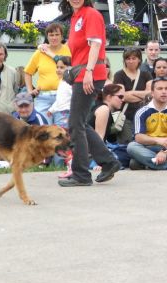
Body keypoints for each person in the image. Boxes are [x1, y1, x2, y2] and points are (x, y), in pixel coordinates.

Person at [57, 0, 120, 187]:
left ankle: (81, 174)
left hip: (89, 74)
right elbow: (80, 50)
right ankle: (109, 162)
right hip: (83, 72)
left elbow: (95, 45)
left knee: (76, 124)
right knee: (80, 123)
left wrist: (89, 72)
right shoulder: (77, 16)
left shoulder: (91, 14)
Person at [24, 23, 71, 124]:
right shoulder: (39, 52)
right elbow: (28, 72)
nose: (54, 38)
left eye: (57, 34)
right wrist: (29, 90)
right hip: (43, 98)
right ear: (47, 37)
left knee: (62, 130)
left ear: (62, 36)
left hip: (63, 96)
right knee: (44, 129)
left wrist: (49, 53)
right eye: (51, 35)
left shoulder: (68, 50)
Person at [113, 47, 152, 145]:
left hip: (143, 117)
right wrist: (142, 94)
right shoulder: (119, 75)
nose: (130, 61)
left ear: (139, 59)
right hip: (125, 117)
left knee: (142, 144)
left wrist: (131, 93)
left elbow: (151, 94)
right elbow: (122, 96)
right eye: (128, 58)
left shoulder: (146, 74)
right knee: (126, 144)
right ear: (124, 60)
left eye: (134, 58)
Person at [127, 77, 167, 170]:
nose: (164, 92)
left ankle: (147, 162)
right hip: (149, 147)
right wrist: (158, 140)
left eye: (166, 88)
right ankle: (160, 163)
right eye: (160, 89)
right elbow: (139, 137)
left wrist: (164, 152)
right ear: (152, 92)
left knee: (134, 163)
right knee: (132, 146)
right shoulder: (142, 112)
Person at [47, 55, 72, 128]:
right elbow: (59, 99)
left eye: (61, 67)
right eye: (57, 67)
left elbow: (75, 97)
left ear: (70, 68)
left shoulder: (69, 83)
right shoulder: (62, 82)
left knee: (62, 133)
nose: (58, 70)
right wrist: (51, 109)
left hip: (66, 112)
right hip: (59, 113)